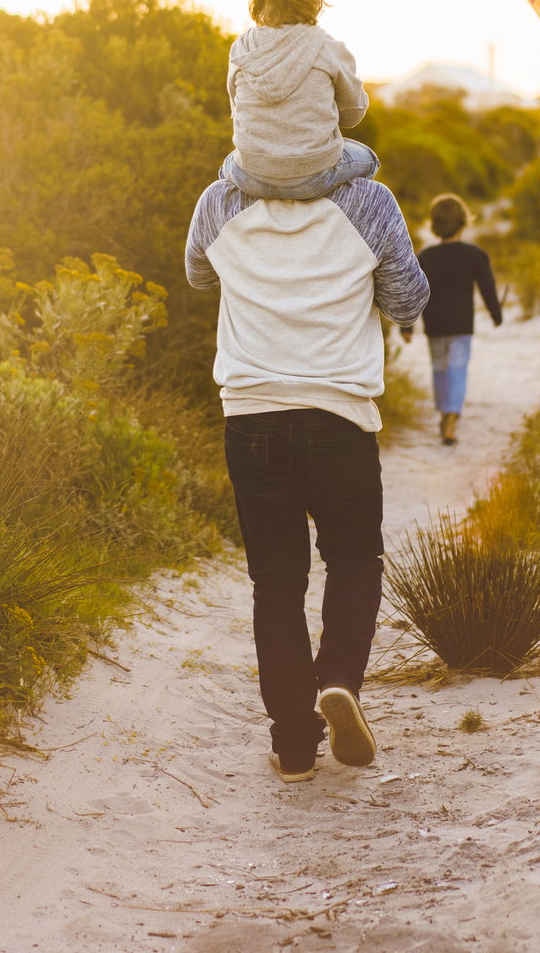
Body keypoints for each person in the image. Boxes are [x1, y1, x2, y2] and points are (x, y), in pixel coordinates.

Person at [185, 70, 429, 783]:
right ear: (332, 111)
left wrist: (262, 275)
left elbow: (201, 277)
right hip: (338, 415)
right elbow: (410, 295)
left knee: (276, 580)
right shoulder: (369, 201)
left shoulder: (219, 201)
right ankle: (339, 683)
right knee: (354, 557)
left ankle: (293, 743)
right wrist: (367, 288)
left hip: (251, 417)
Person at [219, 0, 381, 200]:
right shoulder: (329, 48)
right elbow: (352, 115)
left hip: (250, 176)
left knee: (228, 164)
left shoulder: (241, 48)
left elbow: (235, 111)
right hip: (313, 178)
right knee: (369, 159)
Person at [399, 193, 502, 445]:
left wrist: (407, 325)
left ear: (434, 225)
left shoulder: (424, 256)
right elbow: (487, 287)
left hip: (434, 326)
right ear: (463, 221)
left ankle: (445, 413)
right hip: (461, 326)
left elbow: (412, 291)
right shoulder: (475, 254)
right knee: (457, 370)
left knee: (440, 370)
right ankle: (452, 421)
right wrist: (496, 314)